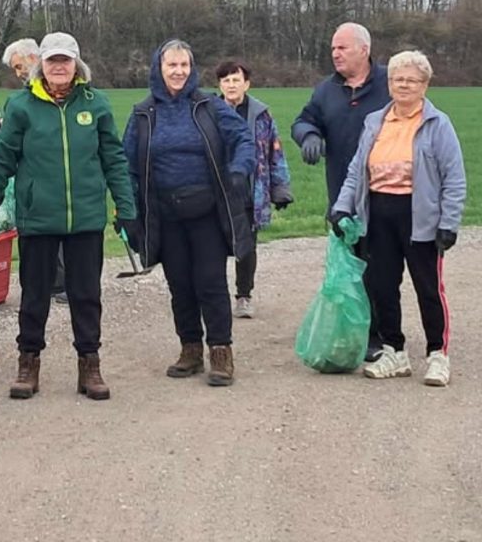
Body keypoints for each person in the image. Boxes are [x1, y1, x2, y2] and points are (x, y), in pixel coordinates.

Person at [0, 32, 137, 401]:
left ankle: (90, 364)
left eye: (66, 60)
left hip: (85, 218)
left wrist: (127, 210)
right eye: (52, 61)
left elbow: (114, 159)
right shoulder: (21, 106)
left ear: (77, 65)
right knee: (34, 295)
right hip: (38, 217)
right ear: (41, 65)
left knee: (86, 295)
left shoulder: (97, 105)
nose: (59, 67)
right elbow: (1, 159)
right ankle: (28, 363)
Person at [330, 50, 466, 387]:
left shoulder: (437, 124)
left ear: (425, 85)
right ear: (389, 83)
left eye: (410, 79)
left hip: (420, 217)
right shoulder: (375, 121)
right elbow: (356, 170)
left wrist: (448, 223)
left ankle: (438, 354)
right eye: (396, 79)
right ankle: (394, 350)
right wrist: (342, 206)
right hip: (377, 214)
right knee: (382, 286)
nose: (402, 85)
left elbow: (454, 178)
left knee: (428, 288)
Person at [123, 39, 255, 387]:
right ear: (158, 69)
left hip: (207, 211)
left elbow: (243, 138)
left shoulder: (209, 106)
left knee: (210, 282)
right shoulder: (142, 113)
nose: (179, 71)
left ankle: (221, 351)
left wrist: (239, 170)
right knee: (180, 285)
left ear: (192, 69)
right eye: (172, 65)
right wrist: (128, 208)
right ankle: (191, 349)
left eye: (184, 65)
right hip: (165, 214)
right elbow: (127, 165)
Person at [291, 22, 389, 361]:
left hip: (385, 195)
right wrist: (309, 136)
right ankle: (350, 331)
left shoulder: (390, 84)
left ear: (364, 49)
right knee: (349, 267)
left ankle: (379, 336)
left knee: (380, 270)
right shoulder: (326, 91)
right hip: (343, 196)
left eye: (342, 47)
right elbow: (302, 120)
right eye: (333, 48)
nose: (335, 53)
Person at [216, 60, 293, 319]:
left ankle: (244, 295)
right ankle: (214, 295)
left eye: (236, 80)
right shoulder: (209, 112)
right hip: (216, 190)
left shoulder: (261, 114)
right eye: (226, 80)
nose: (231, 85)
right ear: (219, 85)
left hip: (251, 190)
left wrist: (280, 187)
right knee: (213, 245)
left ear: (246, 84)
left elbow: (275, 151)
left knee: (246, 246)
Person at [3, 37, 68, 304]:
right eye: (14, 69)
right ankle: (49, 283)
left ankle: (62, 283)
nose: (18, 73)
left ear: (33, 59)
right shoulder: (21, 100)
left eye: (19, 66)